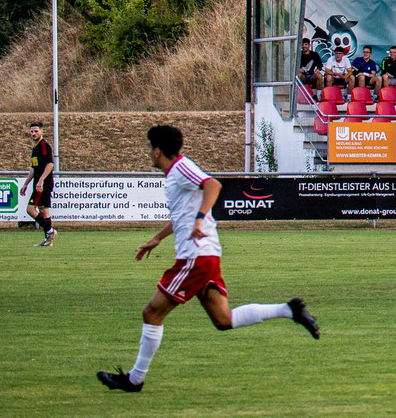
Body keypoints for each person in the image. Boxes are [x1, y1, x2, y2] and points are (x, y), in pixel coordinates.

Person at [95, 124, 318, 392]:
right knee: (223, 320)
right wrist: (158, 238)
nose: (148, 154)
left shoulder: (180, 167)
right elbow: (181, 215)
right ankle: (288, 309)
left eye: (149, 149)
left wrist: (200, 219)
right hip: (205, 255)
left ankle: (135, 379)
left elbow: (212, 185)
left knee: (152, 312)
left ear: (156, 151)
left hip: (196, 256)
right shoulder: (175, 173)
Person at [26, 122, 56, 246]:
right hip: (39, 183)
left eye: (36, 131)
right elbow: (34, 168)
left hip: (43, 184)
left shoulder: (44, 146)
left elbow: (50, 164)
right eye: (32, 131)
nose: (33, 133)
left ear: (42, 132)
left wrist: (41, 180)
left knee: (30, 209)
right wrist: (26, 183)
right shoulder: (35, 148)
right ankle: (48, 240)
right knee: (44, 211)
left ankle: (50, 230)